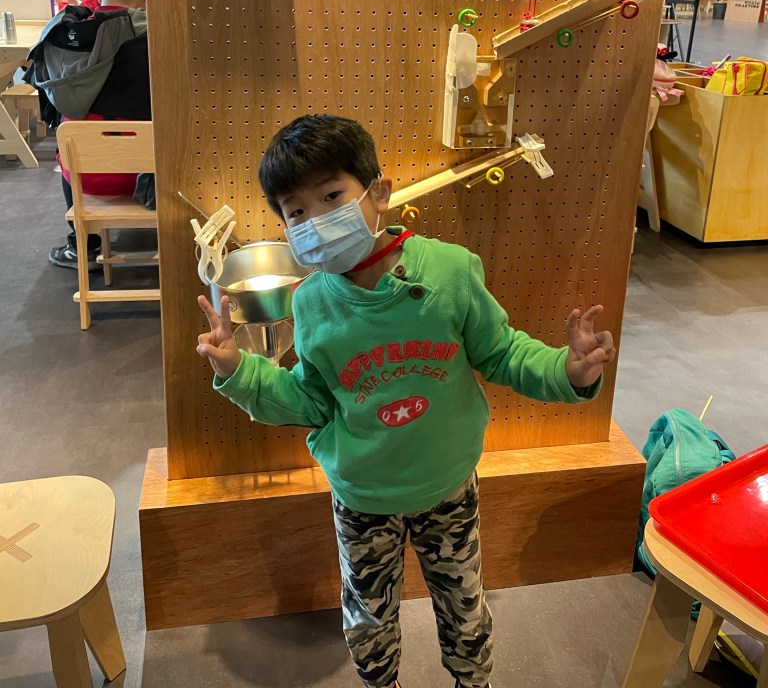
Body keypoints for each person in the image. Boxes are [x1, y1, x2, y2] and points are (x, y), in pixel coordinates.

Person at [196, 114, 616, 688]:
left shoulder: (451, 272)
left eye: (332, 197)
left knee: (464, 607)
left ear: (379, 193)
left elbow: (501, 353)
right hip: (362, 497)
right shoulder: (311, 302)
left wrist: (566, 369)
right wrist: (239, 371)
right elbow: (310, 401)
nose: (316, 221)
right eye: (296, 212)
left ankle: (473, 682)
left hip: (448, 485)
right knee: (368, 616)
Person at [49, 0, 150, 270]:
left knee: (67, 139)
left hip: (84, 175)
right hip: (146, 176)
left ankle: (83, 246)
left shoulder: (68, 37)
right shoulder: (156, 41)